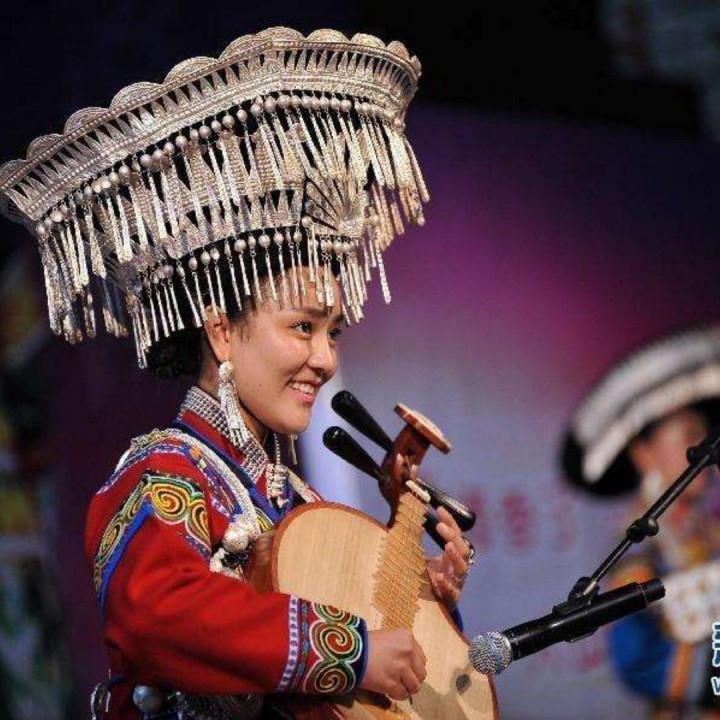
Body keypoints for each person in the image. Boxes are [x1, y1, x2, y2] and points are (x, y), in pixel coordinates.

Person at [0, 27, 473, 719]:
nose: (325, 358)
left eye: (333, 333)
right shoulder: (164, 474)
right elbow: (157, 611)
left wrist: (421, 597)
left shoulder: (299, 501)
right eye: (302, 327)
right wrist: (349, 650)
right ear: (222, 331)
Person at [560, 327, 720, 720]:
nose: (706, 447)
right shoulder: (638, 541)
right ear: (645, 454)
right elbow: (637, 654)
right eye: (690, 435)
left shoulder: (710, 532)